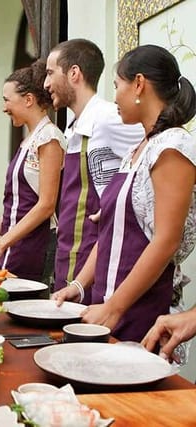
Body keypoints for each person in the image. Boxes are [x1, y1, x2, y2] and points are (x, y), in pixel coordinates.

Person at [53, 44, 196, 342]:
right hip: (107, 304)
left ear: (139, 84)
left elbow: (166, 241)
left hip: (139, 314)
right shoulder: (137, 149)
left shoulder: (173, 147)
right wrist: (79, 286)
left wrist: (115, 307)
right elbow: (110, 229)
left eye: (117, 85)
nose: (114, 96)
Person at [44, 38, 144, 302]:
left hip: (94, 261)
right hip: (69, 257)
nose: (45, 84)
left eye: (50, 73)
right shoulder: (75, 125)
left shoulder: (108, 117)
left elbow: (153, 150)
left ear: (74, 73)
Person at [0, 60, 65, 280]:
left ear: (28, 100)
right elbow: (15, 209)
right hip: (17, 243)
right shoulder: (31, 139)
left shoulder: (49, 139)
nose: (4, 107)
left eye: (7, 100)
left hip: (35, 244)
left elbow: (46, 206)